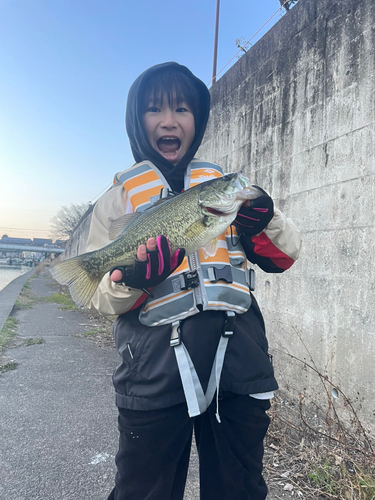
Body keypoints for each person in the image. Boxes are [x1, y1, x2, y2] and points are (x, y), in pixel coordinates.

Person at [85, 62, 301, 500]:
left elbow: (285, 254)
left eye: (182, 108)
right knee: (144, 491)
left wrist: (264, 218)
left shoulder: (222, 188)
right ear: (137, 120)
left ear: (197, 120)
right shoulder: (116, 201)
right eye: (154, 109)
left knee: (238, 490)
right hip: (153, 377)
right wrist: (133, 279)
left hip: (238, 369)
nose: (169, 120)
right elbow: (102, 300)